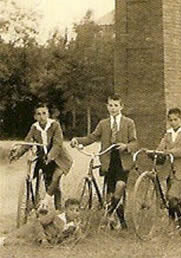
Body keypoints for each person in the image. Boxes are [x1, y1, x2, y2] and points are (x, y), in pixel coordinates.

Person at [70, 94, 138, 229]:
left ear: (121, 107)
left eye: (116, 105)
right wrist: (77, 140)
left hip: (123, 160)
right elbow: (92, 137)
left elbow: (135, 142)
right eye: (110, 105)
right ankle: (121, 223)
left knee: (120, 186)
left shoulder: (128, 123)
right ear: (107, 106)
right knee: (111, 193)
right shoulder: (103, 124)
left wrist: (126, 147)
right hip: (108, 160)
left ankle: (108, 215)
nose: (113, 108)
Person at [9, 103, 73, 211]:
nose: (41, 116)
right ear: (35, 116)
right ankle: (46, 208)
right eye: (38, 114)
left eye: (44, 113)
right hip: (45, 159)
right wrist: (17, 154)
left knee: (56, 177)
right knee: (52, 186)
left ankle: (55, 208)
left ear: (48, 114)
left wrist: (50, 156)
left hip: (60, 158)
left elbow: (58, 144)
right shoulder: (34, 128)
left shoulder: (55, 125)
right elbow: (27, 143)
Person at [156, 107, 181, 234]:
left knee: (172, 196)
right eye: (171, 120)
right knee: (171, 197)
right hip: (169, 169)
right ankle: (173, 223)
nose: (173, 122)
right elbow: (161, 147)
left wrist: (170, 152)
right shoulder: (167, 134)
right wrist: (157, 152)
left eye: (175, 119)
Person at [0, 198, 82, 247]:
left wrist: (76, 230)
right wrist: (43, 239)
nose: (74, 212)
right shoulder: (56, 215)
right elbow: (38, 222)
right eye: (71, 210)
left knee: (20, 243)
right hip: (33, 230)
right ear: (65, 210)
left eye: (77, 210)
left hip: (39, 241)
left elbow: (75, 240)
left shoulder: (73, 225)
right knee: (9, 238)